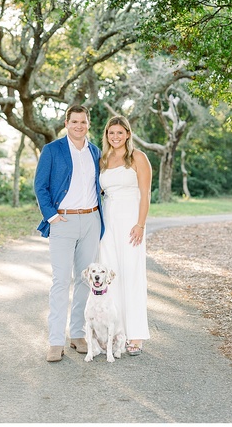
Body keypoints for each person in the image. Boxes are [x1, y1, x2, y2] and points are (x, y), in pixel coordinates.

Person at [34, 105, 105, 362]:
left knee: (86, 280)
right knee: (61, 280)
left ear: (88, 124)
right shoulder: (52, 150)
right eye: (74, 121)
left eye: (83, 122)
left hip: (91, 220)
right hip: (62, 221)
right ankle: (55, 340)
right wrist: (52, 215)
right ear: (66, 123)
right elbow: (40, 185)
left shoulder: (95, 151)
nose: (79, 126)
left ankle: (77, 335)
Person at [98, 116, 152, 355]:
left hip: (131, 221)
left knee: (132, 274)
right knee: (111, 276)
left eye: (120, 133)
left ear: (128, 134)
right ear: (107, 135)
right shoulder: (103, 159)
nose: (115, 137)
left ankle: (136, 335)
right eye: (111, 133)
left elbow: (146, 194)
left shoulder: (138, 158)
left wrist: (140, 224)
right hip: (108, 222)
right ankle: (114, 332)